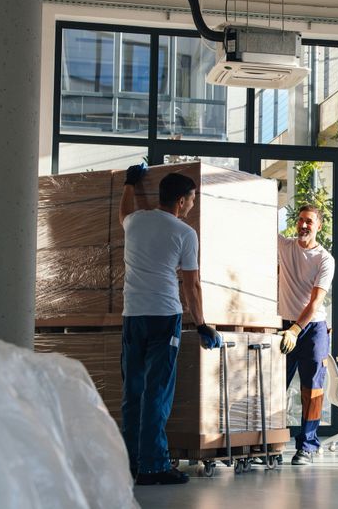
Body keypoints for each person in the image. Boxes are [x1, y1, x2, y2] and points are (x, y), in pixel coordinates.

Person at [119, 165, 222, 485]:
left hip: (132, 316)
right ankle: (154, 466)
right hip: (164, 316)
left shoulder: (135, 222)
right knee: (157, 393)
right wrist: (202, 324)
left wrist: (129, 183)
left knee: (133, 391)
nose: (192, 205)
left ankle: (132, 464)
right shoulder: (184, 233)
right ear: (180, 200)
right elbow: (192, 285)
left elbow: (124, 211)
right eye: (192, 200)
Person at [278, 205, 335, 465]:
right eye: (300, 220)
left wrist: (295, 329)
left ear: (318, 226)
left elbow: (314, 303)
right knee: (275, 387)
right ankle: (270, 442)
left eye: (309, 221)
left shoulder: (325, 259)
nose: (303, 225)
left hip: (312, 329)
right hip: (285, 326)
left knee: (312, 389)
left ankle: (308, 445)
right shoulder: (285, 246)